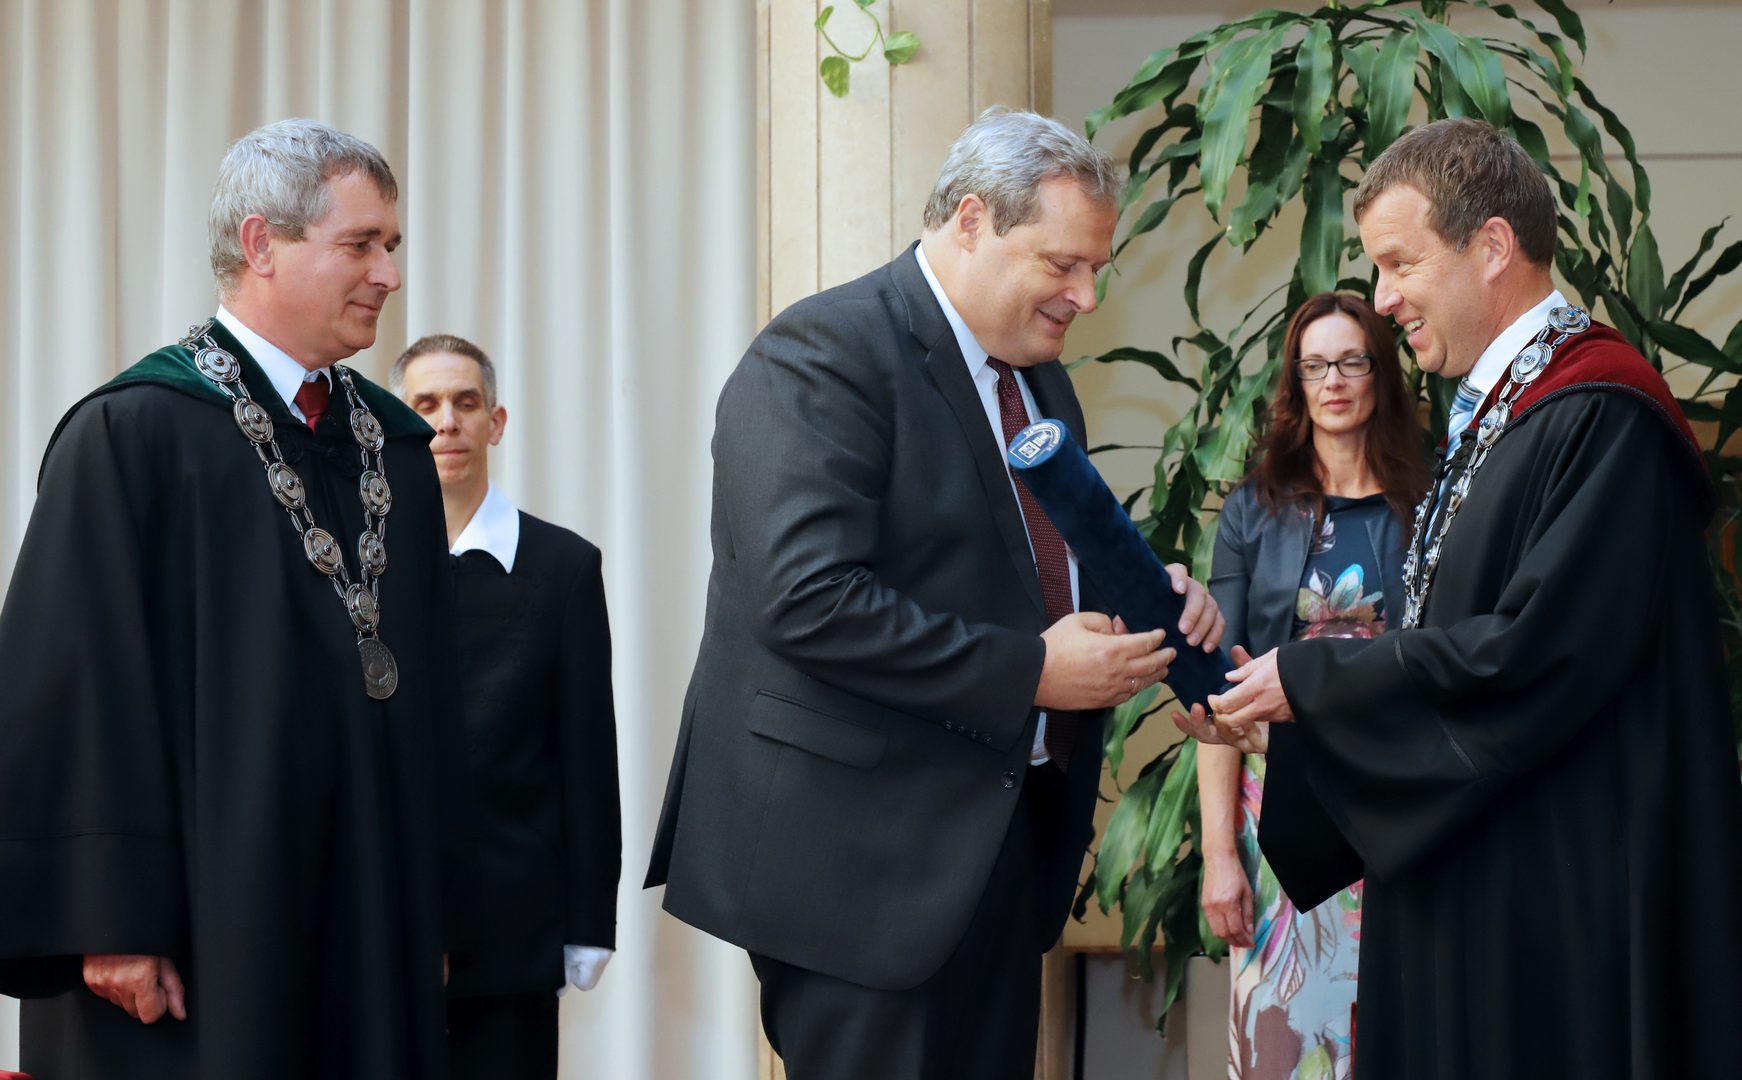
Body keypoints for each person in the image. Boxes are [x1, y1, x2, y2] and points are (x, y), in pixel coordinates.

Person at [646, 107, 1224, 1080]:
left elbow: (1022, 564)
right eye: (1062, 264)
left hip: (995, 848)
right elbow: (806, 597)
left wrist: (1150, 598)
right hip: (856, 868)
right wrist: (1031, 672)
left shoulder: (1039, 382)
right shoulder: (822, 352)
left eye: (1097, 269)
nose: (1085, 297)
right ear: (970, 220)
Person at [1178, 117, 1742, 1078]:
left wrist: (1314, 680)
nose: (1383, 298)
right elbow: (1457, 663)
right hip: (1488, 879)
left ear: (1492, 247)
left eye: (1400, 264)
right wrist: (1291, 727)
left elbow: (1533, 655)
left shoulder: (1599, 413)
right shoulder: (1501, 413)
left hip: (1559, 905)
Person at [0, 119, 462, 1079]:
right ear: (261, 245)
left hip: (368, 921)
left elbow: (433, 701)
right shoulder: (130, 435)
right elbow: (74, 693)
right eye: (360, 245)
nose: (388, 274)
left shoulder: (395, 450)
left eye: (391, 245)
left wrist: (435, 908)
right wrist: (107, 918)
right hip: (197, 938)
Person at [1194, 293, 1427, 1076]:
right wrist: (1219, 856)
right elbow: (1222, 690)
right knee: (1283, 1038)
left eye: (1353, 361)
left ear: (1380, 374)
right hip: (1278, 812)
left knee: (1397, 1032)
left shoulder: (1429, 503)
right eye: (1316, 365)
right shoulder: (1251, 512)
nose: (1334, 381)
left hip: (1396, 800)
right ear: (1295, 380)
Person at [392, 334, 622, 1079]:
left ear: (495, 422)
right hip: (380, 923)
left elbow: (587, 757)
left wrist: (590, 921)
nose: (446, 422)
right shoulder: (359, 565)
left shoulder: (564, 567)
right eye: (425, 405)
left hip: (512, 926)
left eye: (465, 403)